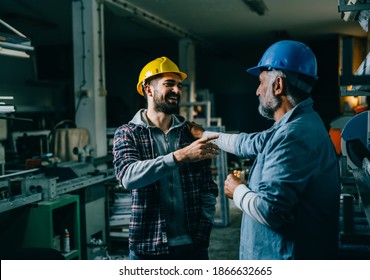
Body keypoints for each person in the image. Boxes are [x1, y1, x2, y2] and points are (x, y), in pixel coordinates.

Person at [189, 40, 341, 260]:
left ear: (278, 85)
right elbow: (248, 143)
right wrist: (202, 135)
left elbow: (271, 212)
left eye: (261, 82)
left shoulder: (292, 136)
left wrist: (237, 190)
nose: (258, 91)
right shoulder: (299, 123)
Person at [112, 56, 219, 260]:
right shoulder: (128, 133)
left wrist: (204, 228)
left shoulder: (191, 133)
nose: (177, 91)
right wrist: (180, 156)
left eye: (179, 85)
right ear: (148, 89)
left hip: (192, 243)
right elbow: (127, 176)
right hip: (147, 245)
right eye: (169, 84)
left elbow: (207, 187)